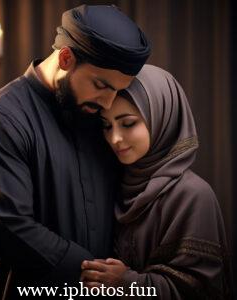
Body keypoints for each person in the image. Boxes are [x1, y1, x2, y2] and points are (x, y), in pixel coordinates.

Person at [0, 4, 151, 300]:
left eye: (117, 90)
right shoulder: (0, 118)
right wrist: (96, 275)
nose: (108, 102)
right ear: (66, 58)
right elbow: (10, 231)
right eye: (101, 85)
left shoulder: (98, 119)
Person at [81, 65, 233, 299]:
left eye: (128, 123)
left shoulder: (192, 195)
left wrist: (126, 282)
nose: (115, 138)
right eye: (107, 125)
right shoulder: (113, 182)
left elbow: (200, 290)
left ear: (162, 116)